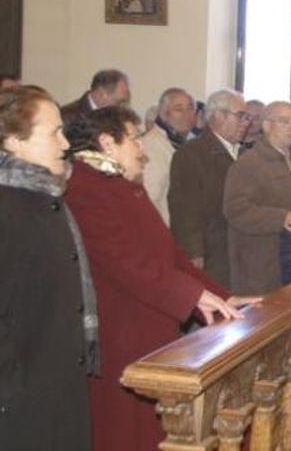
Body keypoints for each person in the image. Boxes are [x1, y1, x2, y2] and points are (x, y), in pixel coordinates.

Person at [63, 105, 257, 451]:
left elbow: (170, 255)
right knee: (124, 429)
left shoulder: (119, 184)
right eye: (135, 140)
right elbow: (125, 261)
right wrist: (193, 297)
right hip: (120, 329)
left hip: (147, 325)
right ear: (107, 143)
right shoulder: (85, 187)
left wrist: (221, 296)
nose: (142, 150)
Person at [0, 86, 93, 449]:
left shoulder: (44, 198)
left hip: (54, 384)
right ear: (14, 141)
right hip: (20, 400)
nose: (65, 143)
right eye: (54, 132)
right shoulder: (8, 208)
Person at [224, 101, 291, 295]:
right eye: (285, 122)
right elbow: (235, 210)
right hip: (259, 265)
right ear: (267, 125)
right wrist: (281, 218)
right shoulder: (248, 164)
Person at [169, 89, 249, 287]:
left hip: (241, 249)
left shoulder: (245, 153)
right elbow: (184, 208)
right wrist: (193, 252)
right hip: (213, 251)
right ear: (219, 116)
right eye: (240, 116)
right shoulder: (192, 153)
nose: (246, 122)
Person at [141, 87, 199, 224]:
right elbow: (150, 200)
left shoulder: (188, 142)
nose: (187, 114)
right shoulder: (151, 146)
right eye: (178, 109)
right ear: (164, 114)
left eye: (190, 108)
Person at [60, 69, 130, 124]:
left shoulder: (117, 118)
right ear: (101, 94)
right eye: (119, 102)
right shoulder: (67, 117)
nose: (122, 107)